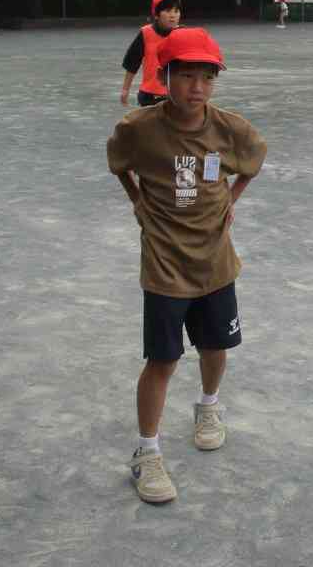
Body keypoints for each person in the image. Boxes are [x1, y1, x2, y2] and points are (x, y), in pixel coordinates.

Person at [107, 27, 268, 504]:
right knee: (163, 359)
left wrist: (230, 199)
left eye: (207, 77)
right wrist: (138, 204)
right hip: (165, 263)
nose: (197, 87)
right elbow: (119, 164)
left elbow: (254, 160)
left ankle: (208, 407)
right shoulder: (139, 128)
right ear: (166, 75)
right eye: (187, 76)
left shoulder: (229, 128)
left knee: (216, 347)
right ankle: (146, 452)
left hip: (216, 259)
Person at [120, 0, 182, 107]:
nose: (173, 15)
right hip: (149, 96)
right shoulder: (145, 33)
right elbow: (132, 62)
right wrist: (125, 90)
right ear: (157, 15)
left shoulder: (183, 34)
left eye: (176, 11)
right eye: (168, 11)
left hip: (176, 96)